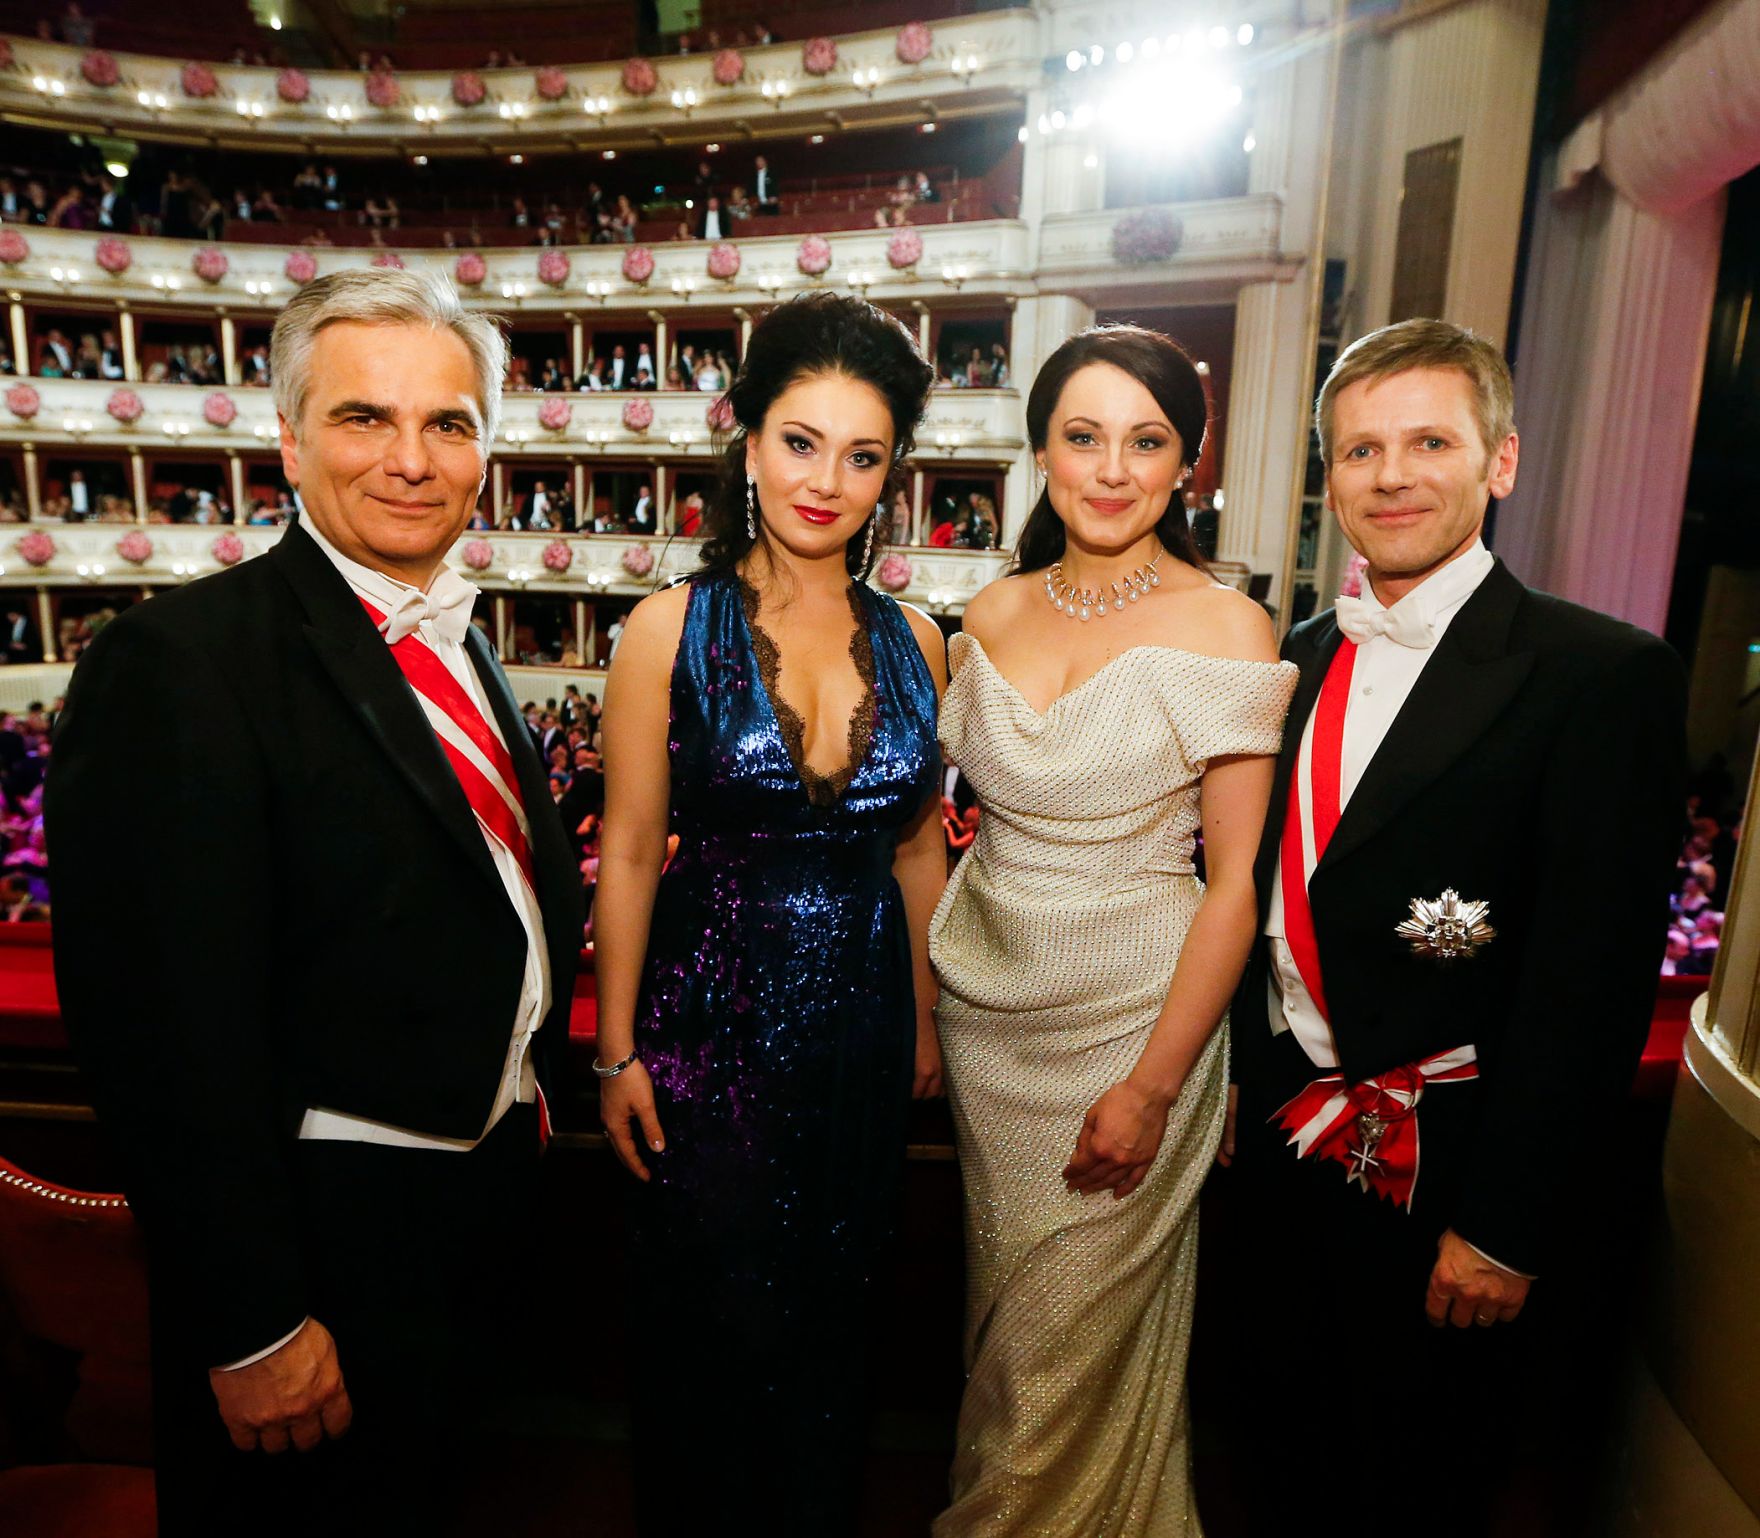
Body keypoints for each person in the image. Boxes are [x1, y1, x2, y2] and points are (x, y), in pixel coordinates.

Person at [45, 269, 583, 1537]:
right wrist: (252, 1319)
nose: (411, 459)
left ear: (486, 454)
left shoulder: (458, 638)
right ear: (289, 440)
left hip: (471, 1220)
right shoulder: (178, 661)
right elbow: (158, 1033)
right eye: (363, 417)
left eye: (447, 423)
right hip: (317, 1254)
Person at [1206, 318, 1687, 1536]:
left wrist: (1506, 1227)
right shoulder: (1290, 658)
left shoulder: (1598, 674)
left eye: (1428, 441)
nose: (1391, 475)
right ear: (1329, 479)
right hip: (1275, 1161)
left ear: (1499, 460)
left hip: (1447, 1191)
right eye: (1359, 449)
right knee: (1270, 1474)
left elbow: (1589, 985)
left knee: (1415, 1490)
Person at [928, 326, 1292, 1534]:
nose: (1110, 468)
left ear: (1185, 463)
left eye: (1146, 441)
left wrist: (1153, 1085)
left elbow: (1234, 884)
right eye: (1082, 436)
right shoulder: (988, 610)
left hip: (1137, 1026)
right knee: (1004, 1347)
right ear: (1040, 448)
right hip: (989, 1025)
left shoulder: (1225, 625)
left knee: (1057, 1358)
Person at [596, 291, 945, 1536]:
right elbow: (627, 848)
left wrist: (926, 1024)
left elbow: (917, 846)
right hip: (709, 1027)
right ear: (747, 443)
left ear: (890, 474)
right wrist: (617, 1049)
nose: (824, 481)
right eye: (800, 442)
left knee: (833, 1321)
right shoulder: (666, 628)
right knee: (713, 1322)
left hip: (862, 1031)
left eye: (861, 455)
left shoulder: (920, 640)